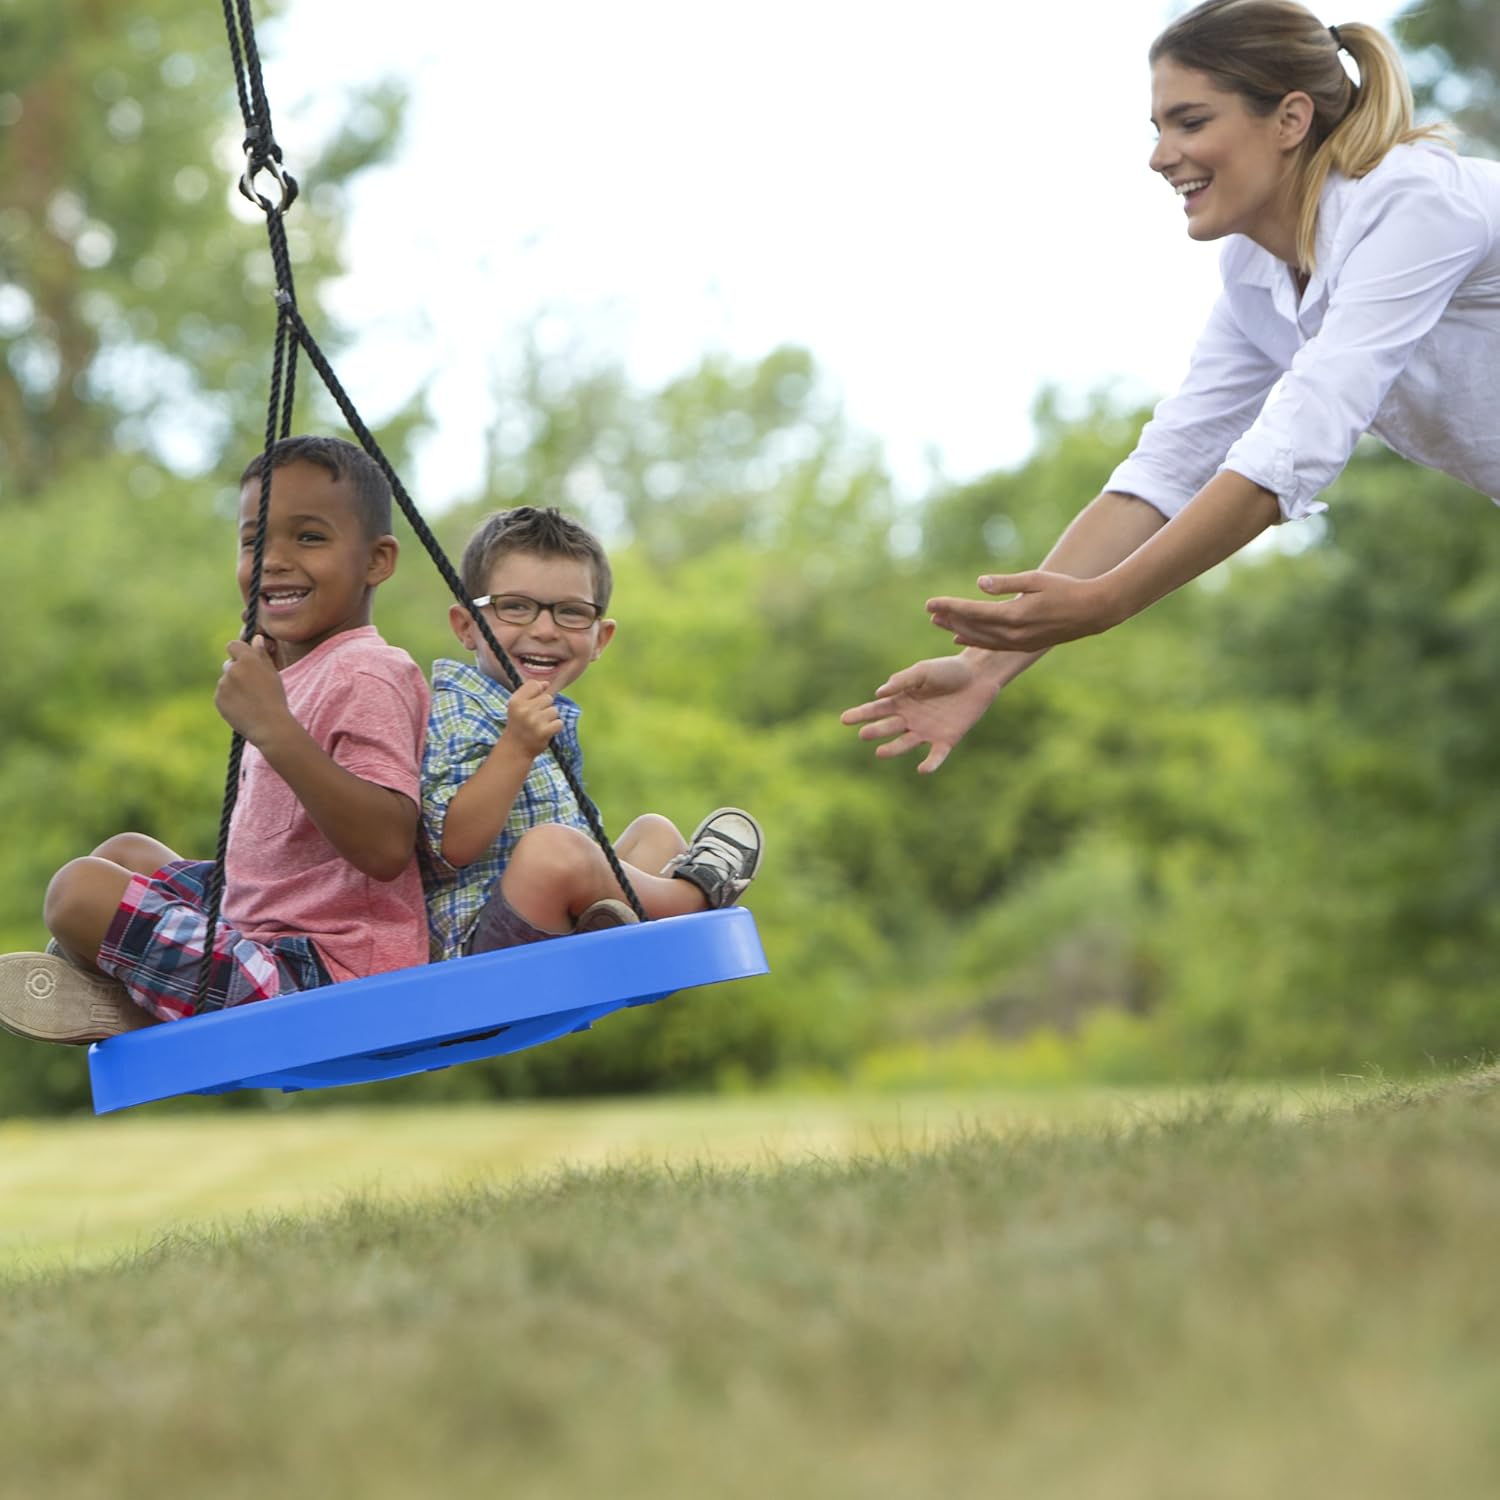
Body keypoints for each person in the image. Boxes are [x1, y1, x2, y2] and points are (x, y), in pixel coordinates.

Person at [844, 0, 1500, 772]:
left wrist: (1110, 600)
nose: (1161, 156)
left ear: (1290, 119)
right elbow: (1168, 467)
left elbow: (1300, 439)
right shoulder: (1255, 274)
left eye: (1190, 122)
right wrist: (987, 666)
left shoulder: (1410, 202)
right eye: (1157, 128)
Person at [0, 435, 430, 1043]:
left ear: (377, 561)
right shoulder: (293, 670)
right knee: (124, 854)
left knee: (76, 894)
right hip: (262, 931)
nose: (273, 560)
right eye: (255, 541)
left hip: (327, 976)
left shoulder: (367, 672)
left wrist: (274, 727)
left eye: (309, 537)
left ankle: (135, 1003)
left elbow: (387, 845)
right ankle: (128, 992)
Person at [422, 505, 763, 963]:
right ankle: (690, 902)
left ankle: (615, 937)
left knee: (654, 834)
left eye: (571, 613)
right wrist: (516, 748)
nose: (545, 630)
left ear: (600, 639)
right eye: (516, 607)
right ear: (466, 627)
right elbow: (453, 846)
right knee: (552, 850)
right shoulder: (456, 709)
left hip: (555, 924)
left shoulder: (546, 713)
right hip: (479, 947)